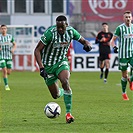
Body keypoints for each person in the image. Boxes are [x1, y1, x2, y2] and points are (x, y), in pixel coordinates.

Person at [34, 15, 92, 123]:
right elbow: (37, 50)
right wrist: (41, 68)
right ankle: (62, 92)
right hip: (48, 66)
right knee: (55, 95)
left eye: (62, 27)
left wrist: (88, 45)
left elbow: (84, 41)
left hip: (61, 62)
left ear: (67, 25)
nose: (60, 29)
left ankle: (68, 114)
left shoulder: (71, 32)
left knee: (65, 81)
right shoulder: (50, 33)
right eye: (58, 27)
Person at [111, 10, 133, 101]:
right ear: (123, 18)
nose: (128, 18)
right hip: (123, 55)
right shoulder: (120, 28)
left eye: (129, 17)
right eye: (126, 17)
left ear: (131, 18)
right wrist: (114, 47)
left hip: (132, 53)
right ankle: (124, 93)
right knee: (124, 75)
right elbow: (112, 40)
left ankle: (131, 80)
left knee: (128, 76)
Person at [0, 24, 16, 90]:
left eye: (4, 28)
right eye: (2, 28)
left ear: (6, 29)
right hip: (1, 56)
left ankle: (5, 77)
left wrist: (13, 49)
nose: (3, 30)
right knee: (4, 71)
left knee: (8, 72)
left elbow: (14, 44)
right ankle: (6, 85)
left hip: (9, 56)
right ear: (0, 30)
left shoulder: (10, 37)